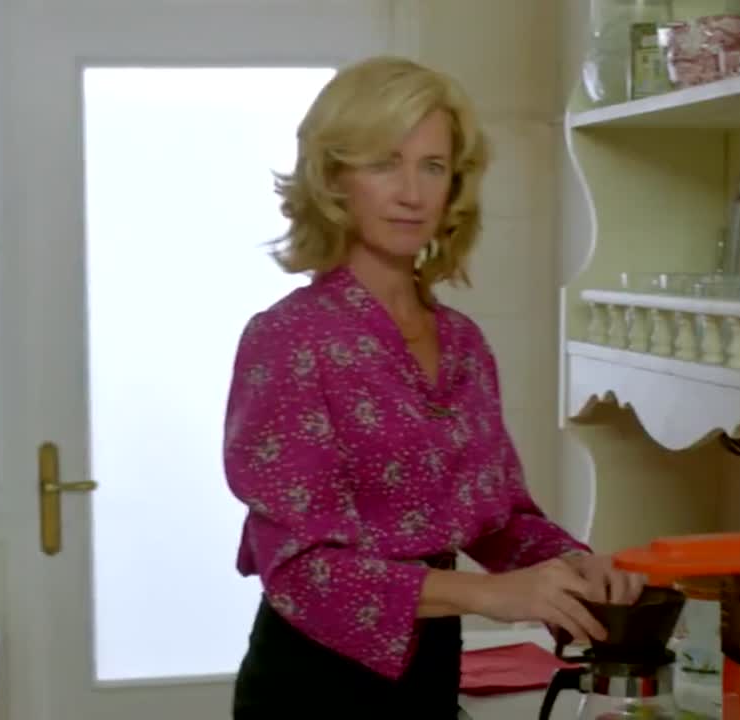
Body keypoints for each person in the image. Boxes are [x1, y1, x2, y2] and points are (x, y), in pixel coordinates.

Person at [222, 55, 645, 718]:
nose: (412, 193)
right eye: (384, 163)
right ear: (334, 178)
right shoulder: (288, 339)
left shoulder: (463, 345)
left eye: (433, 166)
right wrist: (490, 595)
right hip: (312, 685)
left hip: (431, 672)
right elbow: (302, 570)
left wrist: (573, 566)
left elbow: (499, 519)